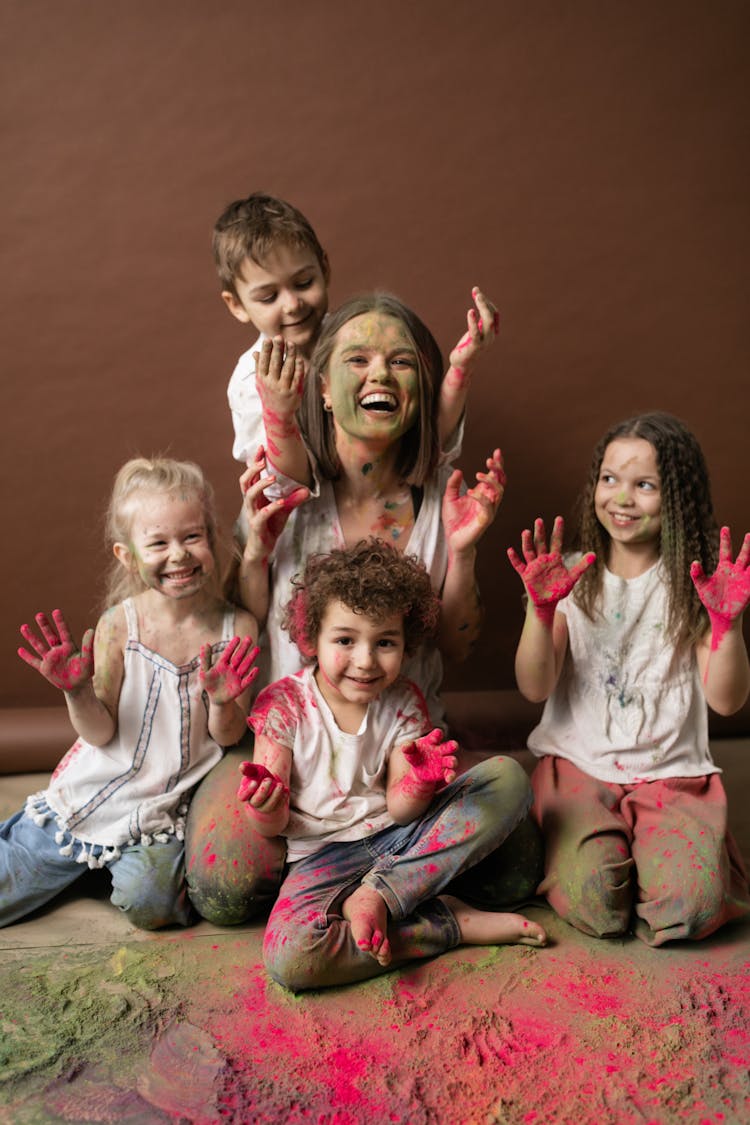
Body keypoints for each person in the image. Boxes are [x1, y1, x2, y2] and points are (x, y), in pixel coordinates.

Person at [185, 292, 543, 925]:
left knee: (515, 874)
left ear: (422, 392)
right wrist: (255, 553)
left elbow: (455, 646)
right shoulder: (290, 491)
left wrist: (461, 553)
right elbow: (242, 620)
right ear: (323, 389)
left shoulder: (440, 499)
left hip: (404, 767)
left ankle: (378, 885)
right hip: (291, 760)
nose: (380, 373)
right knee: (225, 887)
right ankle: (379, 878)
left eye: (400, 362)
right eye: (359, 359)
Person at [239, 540, 547, 990]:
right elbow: (271, 823)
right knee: (292, 958)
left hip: (401, 841)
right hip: (320, 860)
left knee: (508, 778)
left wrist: (420, 782)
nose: (365, 661)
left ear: (407, 643)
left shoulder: (402, 700)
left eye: (385, 642)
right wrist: (264, 804)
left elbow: (402, 810)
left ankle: (380, 895)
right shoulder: (283, 704)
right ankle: (447, 924)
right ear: (311, 638)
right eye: (345, 640)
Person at [508, 411, 750, 945]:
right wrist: (541, 611)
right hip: (578, 770)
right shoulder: (571, 573)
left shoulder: (695, 585)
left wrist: (726, 627)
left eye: (644, 486)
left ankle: (666, 849)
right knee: (598, 904)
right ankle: (596, 850)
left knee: (692, 907)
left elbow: (727, 701)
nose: (621, 497)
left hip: (670, 775)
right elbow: (534, 687)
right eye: (610, 479)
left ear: (677, 499)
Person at [0, 458, 259, 930]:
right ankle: (64, 853)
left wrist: (221, 700)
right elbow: (100, 733)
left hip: (160, 808)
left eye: (192, 537)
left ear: (213, 537)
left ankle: (96, 868)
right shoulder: (120, 625)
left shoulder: (237, 627)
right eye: (158, 543)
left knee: (154, 905)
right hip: (96, 789)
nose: (178, 555)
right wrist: (77, 692)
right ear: (127, 556)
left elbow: (227, 736)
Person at [212, 191, 500, 483]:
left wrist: (463, 367)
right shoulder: (250, 382)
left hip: (388, 497)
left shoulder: (358, 333)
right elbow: (284, 486)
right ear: (237, 304)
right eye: (269, 296)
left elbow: (427, 438)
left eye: (303, 283)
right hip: (315, 517)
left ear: (324, 269)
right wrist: (279, 414)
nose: (292, 304)